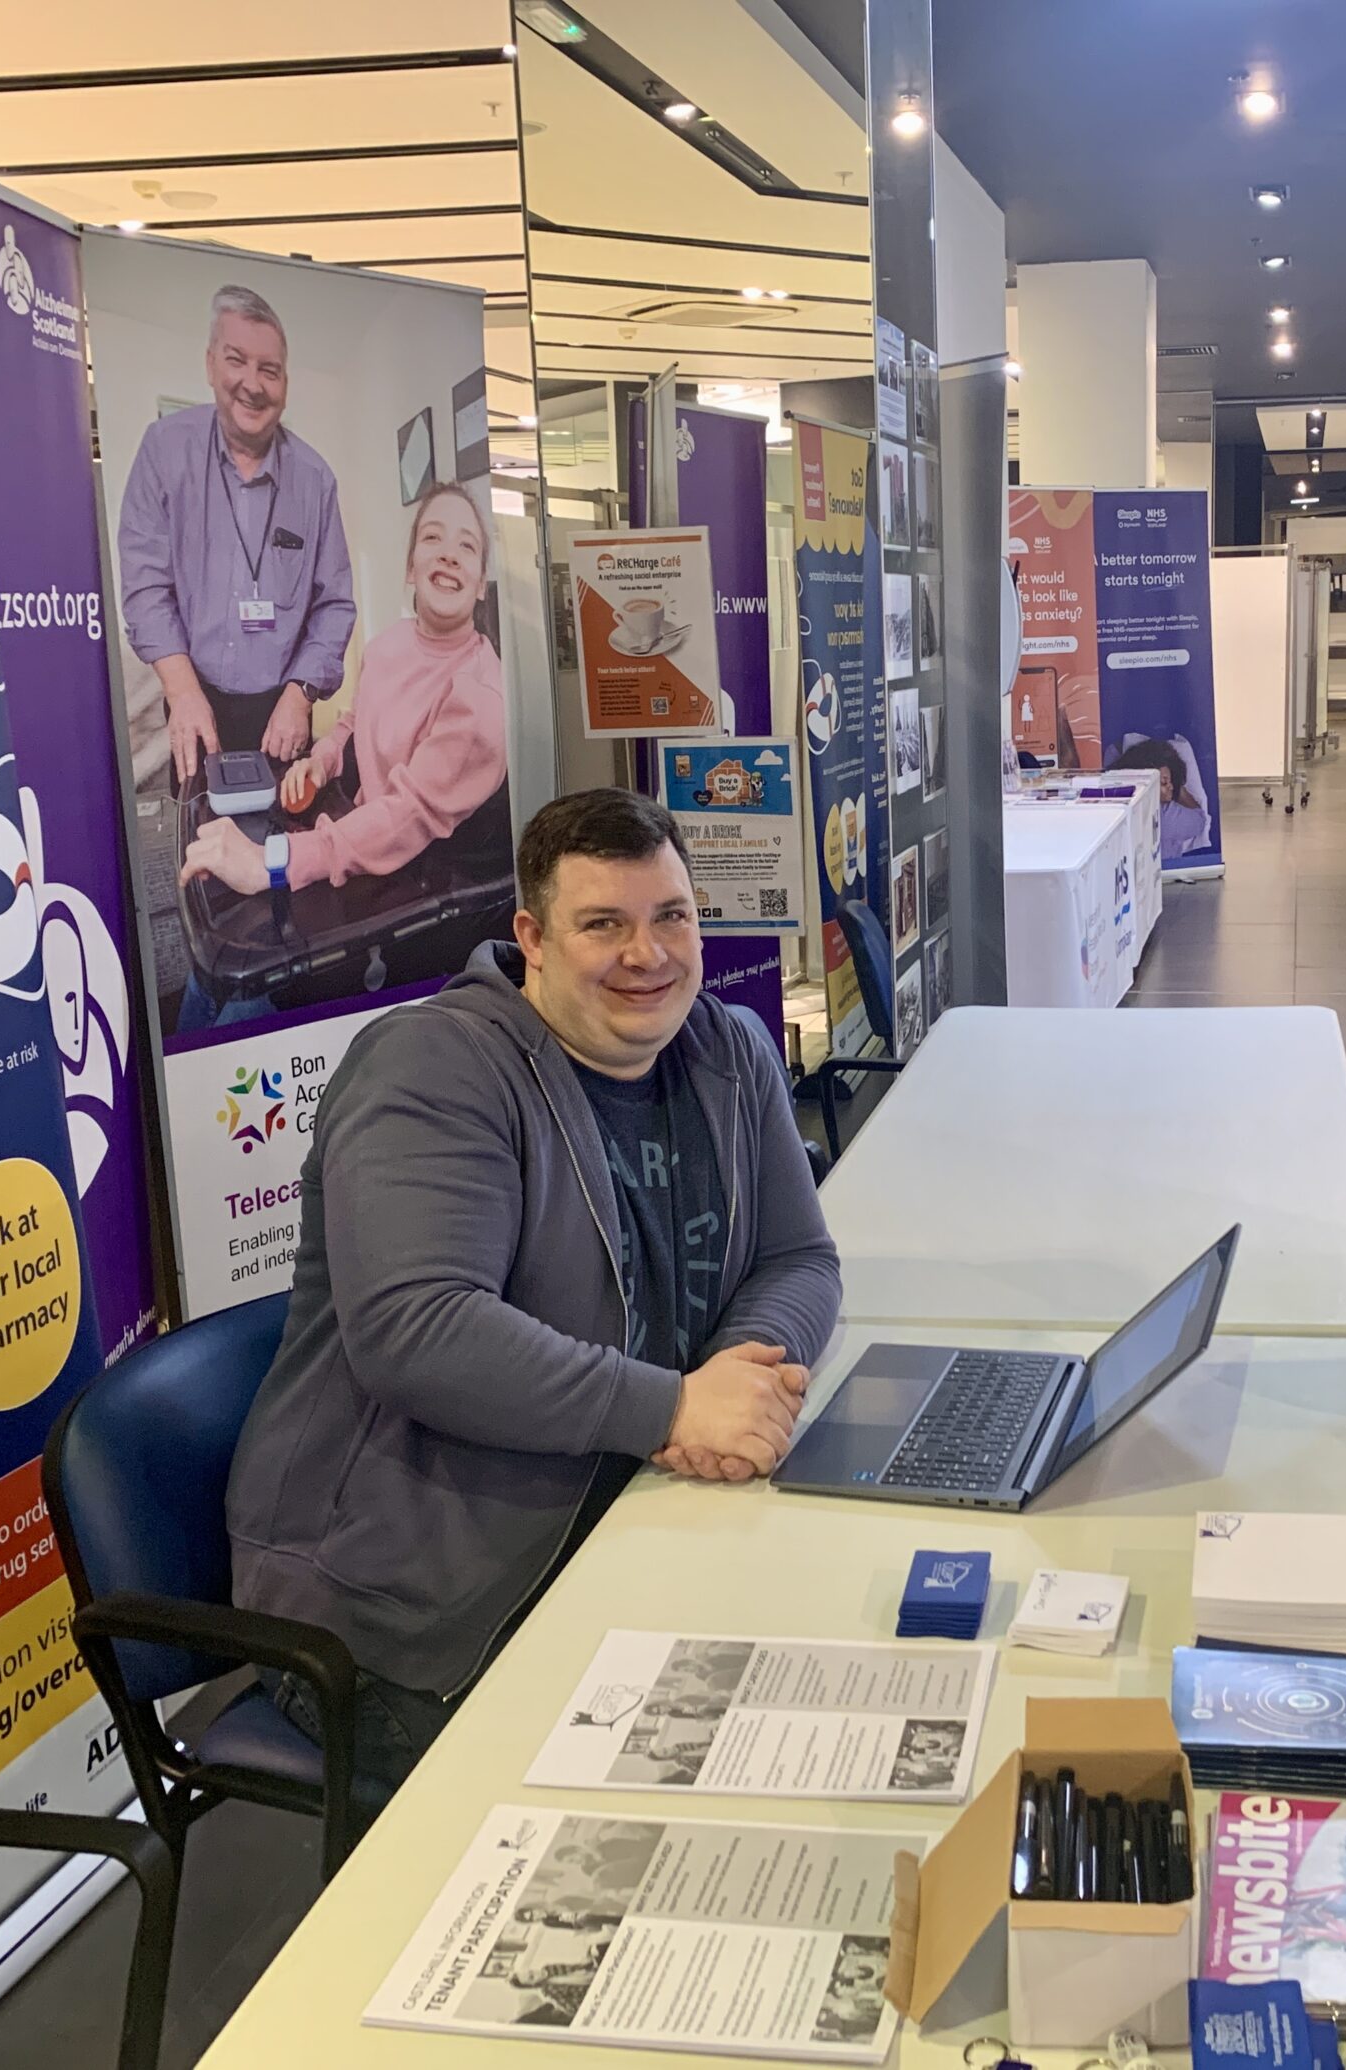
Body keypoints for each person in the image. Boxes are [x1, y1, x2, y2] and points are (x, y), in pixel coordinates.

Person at [224, 787, 841, 1799]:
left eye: (671, 916)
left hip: (628, 1527)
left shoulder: (725, 1048)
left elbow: (799, 1258)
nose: (648, 954)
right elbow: (418, 1332)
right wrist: (673, 1410)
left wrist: (746, 1377)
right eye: (603, 924)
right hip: (407, 1617)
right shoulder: (433, 1069)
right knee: (672, 1808)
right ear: (533, 939)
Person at [179, 480, 507, 897]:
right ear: (411, 568)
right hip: (357, 831)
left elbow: (409, 816)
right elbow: (354, 721)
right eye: (432, 537)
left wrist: (275, 860)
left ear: (480, 583)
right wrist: (322, 761)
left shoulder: (479, 697)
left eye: (467, 546)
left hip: (420, 875)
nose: (449, 554)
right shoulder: (386, 645)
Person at [116, 283, 356, 785]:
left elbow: (334, 605)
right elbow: (145, 584)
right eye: (236, 360)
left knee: (284, 831)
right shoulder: (164, 451)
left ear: (285, 382)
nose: (253, 384)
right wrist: (182, 692)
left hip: (283, 710)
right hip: (192, 694)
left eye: (269, 369)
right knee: (200, 829)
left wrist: (301, 694)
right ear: (210, 365)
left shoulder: (315, 480)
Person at [1109, 734, 1212, 860]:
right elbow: (1199, 821)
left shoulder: (1114, 806)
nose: (1171, 787)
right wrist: (1180, 789)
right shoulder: (1166, 815)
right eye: (1164, 782)